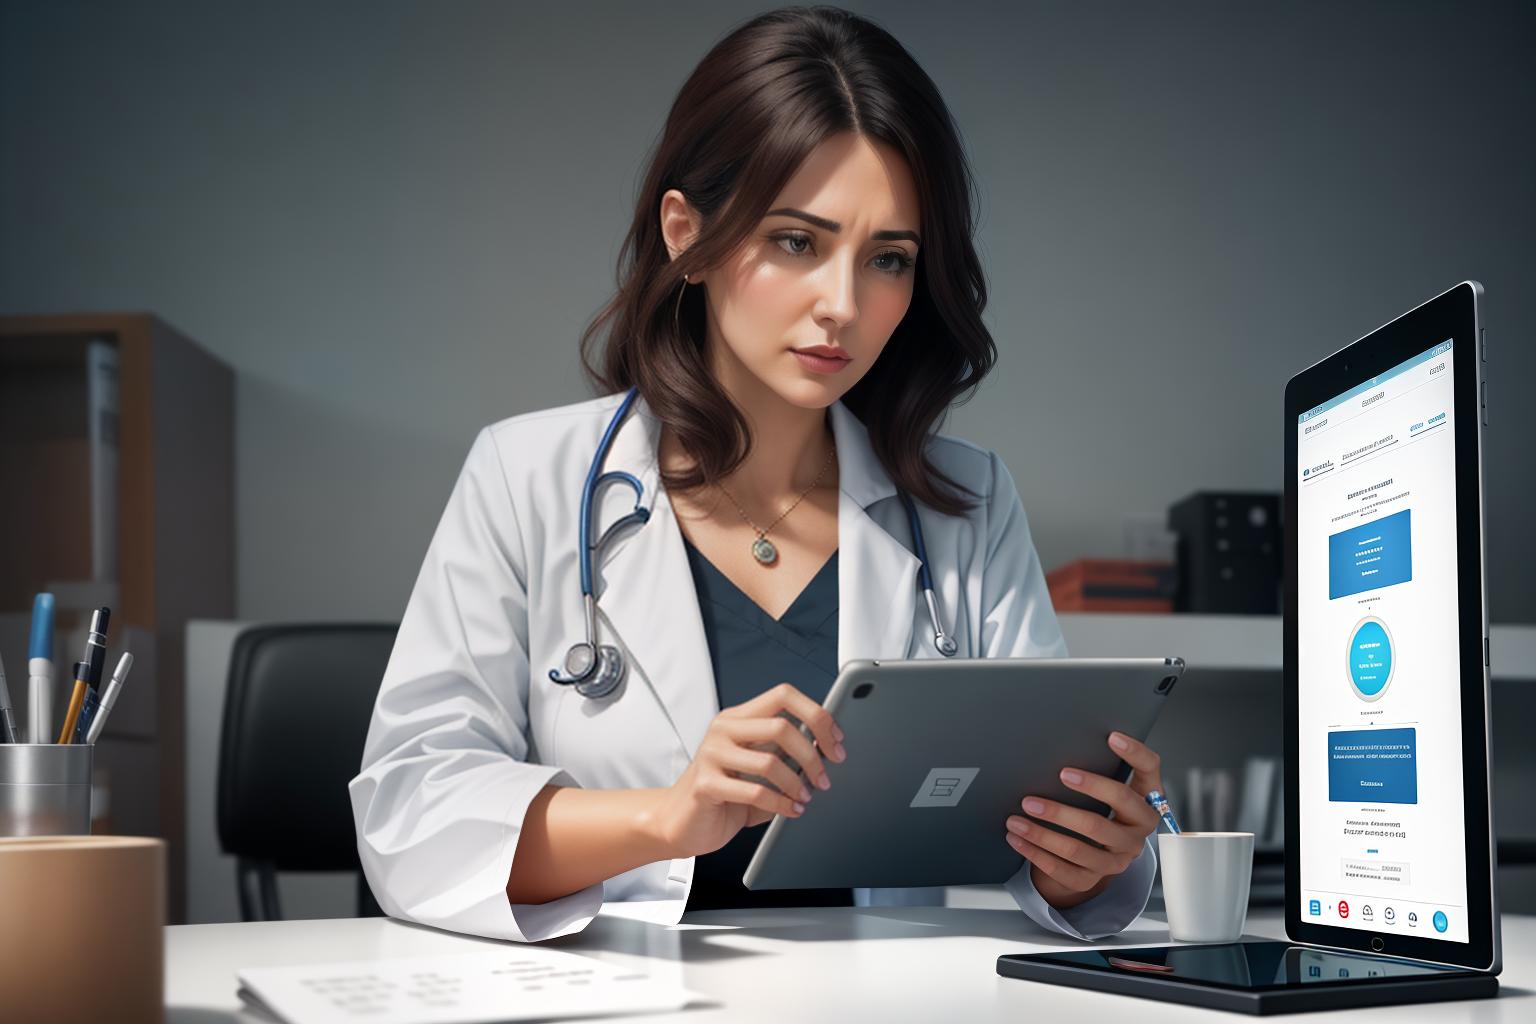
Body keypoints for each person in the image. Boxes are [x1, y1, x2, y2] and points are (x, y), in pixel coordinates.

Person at [349, 4, 1165, 944]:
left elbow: (1050, 827)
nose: (843, 305)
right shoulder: (527, 476)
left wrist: (1084, 863)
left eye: (888, 259)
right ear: (686, 234)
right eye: (796, 242)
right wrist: (667, 816)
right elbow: (410, 809)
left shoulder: (966, 505)